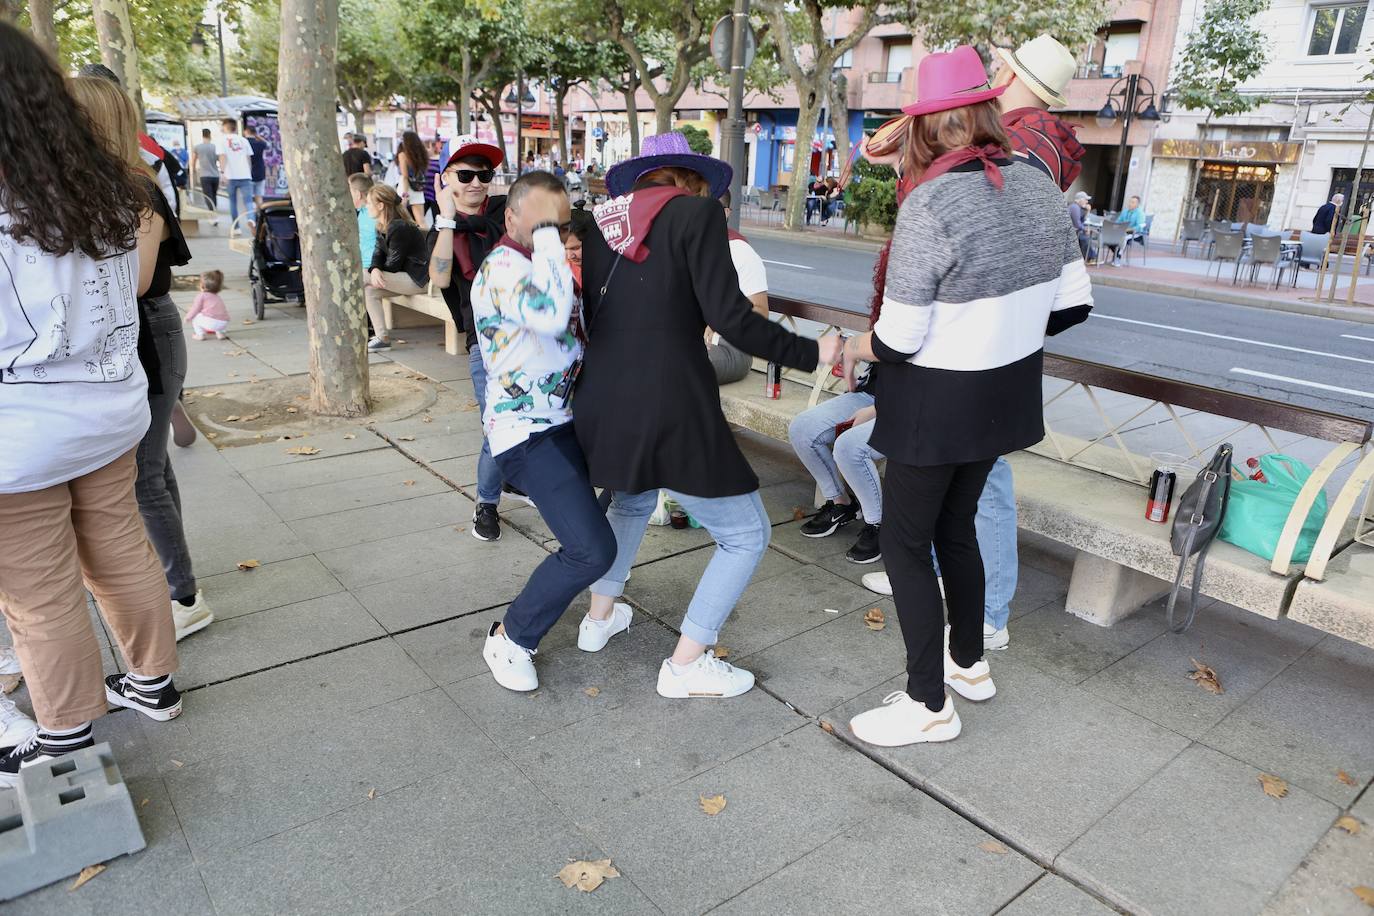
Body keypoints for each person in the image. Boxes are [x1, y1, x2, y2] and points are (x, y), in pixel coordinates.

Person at [842, 47, 1092, 747]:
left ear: (923, 127)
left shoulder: (931, 201)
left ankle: (928, 705)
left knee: (903, 539)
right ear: (989, 110)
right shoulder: (1040, 186)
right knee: (956, 528)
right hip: (1006, 396)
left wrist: (853, 346)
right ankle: (969, 664)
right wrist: (999, 328)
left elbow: (896, 338)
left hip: (935, 406)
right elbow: (1073, 306)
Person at [576, 132, 844, 699]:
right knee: (747, 534)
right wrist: (811, 351)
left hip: (604, 394)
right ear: (691, 179)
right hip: (670, 399)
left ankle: (598, 620)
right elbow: (735, 319)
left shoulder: (598, 223)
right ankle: (686, 664)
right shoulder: (696, 215)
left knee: (631, 500)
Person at [0, 23, 185, 782]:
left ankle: (67, 736)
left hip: (20, 435)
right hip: (109, 407)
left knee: (41, 595)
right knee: (120, 549)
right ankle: (153, 684)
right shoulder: (112, 190)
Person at [70, 75, 215, 643]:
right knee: (155, 471)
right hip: (132, 337)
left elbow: (137, 281)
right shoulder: (106, 186)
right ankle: (180, 586)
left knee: (142, 479)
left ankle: (184, 596)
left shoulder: (134, 187)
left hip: (148, 335)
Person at [472, 172, 616, 691]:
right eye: (541, 224)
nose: (552, 235)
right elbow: (554, 317)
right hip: (524, 435)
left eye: (560, 224)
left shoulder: (546, 266)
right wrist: (552, 241)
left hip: (564, 424)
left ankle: (605, 609)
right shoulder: (503, 269)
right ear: (510, 218)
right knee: (592, 550)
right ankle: (510, 637)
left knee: (619, 500)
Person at [427, 135, 514, 541]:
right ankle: (487, 502)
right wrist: (447, 216)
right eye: (465, 174)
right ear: (446, 178)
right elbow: (441, 277)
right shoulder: (443, 231)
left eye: (484, 174)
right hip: (485, 344)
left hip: (533, 335)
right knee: (496, 425)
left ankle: (515, 479)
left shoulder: (504, 214)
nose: (477, 182)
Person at [709, 188, 770, 385]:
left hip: (731, 348)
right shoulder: (689, 247)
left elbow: (760, 312)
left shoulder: (741, 252)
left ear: (725, 213)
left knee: (675, 366)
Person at [363, 184, 428, 352]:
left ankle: (349, 328)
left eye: (369, 202)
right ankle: (382, 338)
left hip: (417, 281)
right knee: (370, 291)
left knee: (358, 275)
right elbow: (377, 254)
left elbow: (393, 265)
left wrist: (373, 271)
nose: (366, 206)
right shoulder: (382, 225)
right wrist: (375, 269)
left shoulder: (399, 227)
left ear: (380, 205)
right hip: (401, 278)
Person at [216, 118, 255, 227]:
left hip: (230, 176)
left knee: (233, 202)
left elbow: (222, 157)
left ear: (225, 127)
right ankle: (251, 220)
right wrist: (249, 172)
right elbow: (248, 159)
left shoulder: (222, 140)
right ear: (235, 127)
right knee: (248, 201)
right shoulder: (244, 140)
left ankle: (236, 226)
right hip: (245, 175)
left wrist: (222, 173)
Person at [396, 130, 429, 224]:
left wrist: (405, 195)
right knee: (421, 220)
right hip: (417, 188)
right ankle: (425, 238)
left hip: (405, 188)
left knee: (401, 220)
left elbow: (405, 176)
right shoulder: (421, 155)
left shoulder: (403, 155)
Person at [186, 269, 231, 340]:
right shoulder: (217, 297)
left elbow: (195, 309)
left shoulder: (201, 296)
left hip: (212, 323)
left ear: (202, 285)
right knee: (215, 315)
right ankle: (220, 334)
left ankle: (199, 335)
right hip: (223, 323)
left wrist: (188, 317)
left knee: (195, 318)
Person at [349, 172, 378, 271]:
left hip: (368, 267)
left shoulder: (372, 214)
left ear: (358, 194)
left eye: (349, 192)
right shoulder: (363, 211)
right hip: (362, 265)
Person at [192, 128, 220, 212]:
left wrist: (193, 170)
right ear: (210, 135)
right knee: (214, 195)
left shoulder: (197, 147)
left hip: (204, 175)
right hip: (215, 175)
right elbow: (219, 159)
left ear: (202, 135)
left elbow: (193, 160)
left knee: (208, 196)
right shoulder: (214, 147)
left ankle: (212, 212)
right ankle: (214, 211)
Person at [244, 124, 268, 214]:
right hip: (260, 172)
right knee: (259, 196)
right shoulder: (260, 143)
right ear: (254, 133)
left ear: (246, 132)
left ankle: (251, 216)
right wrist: (257, 136)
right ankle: (260, 214)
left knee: (249, 197)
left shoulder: (244, 143)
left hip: (248, 173)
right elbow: (266, 143)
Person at [1070, 190, 1095, 260]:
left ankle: (1089, 257)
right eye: (1085, 199)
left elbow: (1082, 222)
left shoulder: (1077, 207)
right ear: (1079, 200)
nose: (1087, 202)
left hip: (1074, 231)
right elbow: (1077, 224)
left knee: (1084, 236)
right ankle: (1090, 257)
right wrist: (1085, 229)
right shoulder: (1075, 207)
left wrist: (1088, 211)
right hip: (1072, 232)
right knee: (1084, 237)